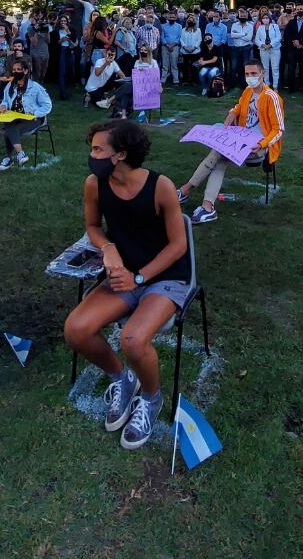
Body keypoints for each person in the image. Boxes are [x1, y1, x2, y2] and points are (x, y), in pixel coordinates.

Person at [64, 119, 190, 450]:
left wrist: (139, 277)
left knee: (132, 340)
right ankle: (122, 377)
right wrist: (108, 248)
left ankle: (151, 399)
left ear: (120, 154)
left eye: (97, 149)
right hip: (124, 275)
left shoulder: (160, 186)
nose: (91, 154)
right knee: (76, 330)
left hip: (165, 277)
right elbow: (93, 226)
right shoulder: (94, 184)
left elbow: (178, 246)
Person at [176, 59, 284, 224]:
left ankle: (187, 191)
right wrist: (231, 116)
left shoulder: (272, 97)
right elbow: (237, 107)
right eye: (247, 74)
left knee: (218, 152)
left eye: (254, 73)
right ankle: (206, 206)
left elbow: (278, 130)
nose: (250, 77)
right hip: (240, 139)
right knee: (219, 157)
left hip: (260, 147)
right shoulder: (248, 91)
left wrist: (262, 144)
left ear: (262, 74)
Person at [0, 57, 53, 170]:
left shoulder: (35, 87)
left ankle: (8, 158)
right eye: (14, 69)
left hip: (34, 118)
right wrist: (3, 105)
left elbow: (47, 105)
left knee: (9, 130)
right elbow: (5, 100)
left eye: (18, 69)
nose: (15, 72)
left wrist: (34, 113)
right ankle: (20, 153)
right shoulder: (10, 86)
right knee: (9, 125)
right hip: (14, 117)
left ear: (26, 71)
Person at [283, 5, 303, 91]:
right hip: (292, 49)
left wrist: (300, 42)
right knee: (291, 69)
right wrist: (294, 42)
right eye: (298, 9)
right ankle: (291, 87)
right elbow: (288, 34)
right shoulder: (291, 22)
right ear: (295, 11)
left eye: (301, 9)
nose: (299, 10)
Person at [254, 12, 282, 90]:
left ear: (269, 19)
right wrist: (263, 45)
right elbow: (256, 40)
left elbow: (278, 37)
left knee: (275, 68)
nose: (265, 19)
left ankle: (275, 86)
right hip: (263, 50)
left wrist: (270, 45)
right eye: (263, 18)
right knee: (265, 68)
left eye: (266, 18)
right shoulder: (260, 27)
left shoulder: (275, 26)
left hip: (274, 49)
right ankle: (266, 85)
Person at [179, 16, 202, 85]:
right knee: (185, 66)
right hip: (185, 51)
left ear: (195, 22)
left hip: (195, 51)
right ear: (187, 22)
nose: (190, 22)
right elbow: (181, 39)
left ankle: (194, 80)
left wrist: (194, 48)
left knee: (194, 66)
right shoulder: (183, 30)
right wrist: (185, 47)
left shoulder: (198, 30)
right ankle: (185, 80)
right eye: (189, 21)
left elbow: (199, 40)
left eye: (192, 21)